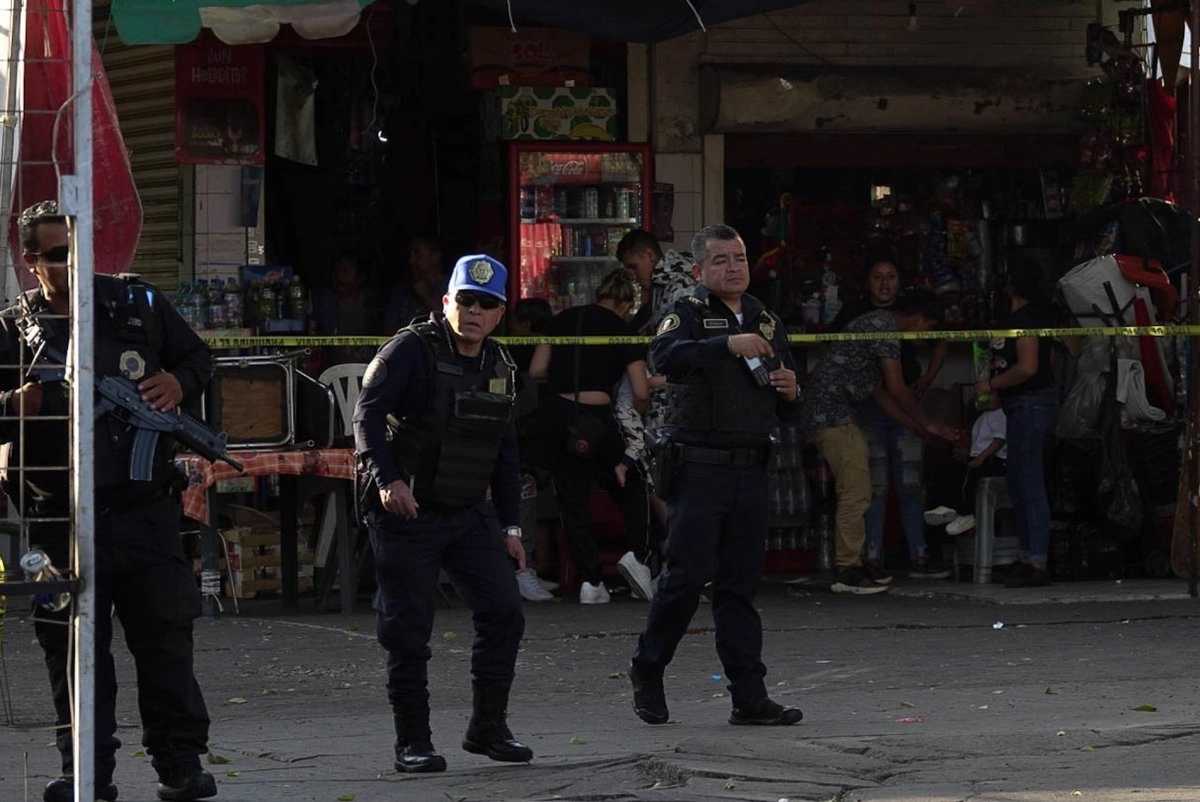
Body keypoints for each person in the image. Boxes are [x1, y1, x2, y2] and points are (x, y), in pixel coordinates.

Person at [0, 201, 217, 802]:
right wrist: (13, 404)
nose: (72, 264)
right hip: (57, 521)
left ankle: (181, 766)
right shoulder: (13, 327)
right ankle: (85, 773)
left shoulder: (136, 304)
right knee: (70, 652)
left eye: (79, 250)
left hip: (143, 509)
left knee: (166, 640)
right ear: (30, 260)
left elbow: (198, 358)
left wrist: (179, 383)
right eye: (57, 255)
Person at [353, 253, 533, 774]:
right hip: (408, 514)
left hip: (467, 513)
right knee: (408, 630)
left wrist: (512, 526)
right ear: (447, 302)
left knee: (505, 612)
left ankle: (488, 728)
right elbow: (365, 418)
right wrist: (388, 481)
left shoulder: (501, 366)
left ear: (500, 313)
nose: (475, 312)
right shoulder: (411, 350)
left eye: (487, 304)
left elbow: (505, 450)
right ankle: (413, 742)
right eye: (466, 301)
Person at [628, 223, 802, 727]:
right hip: (698, 467)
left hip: (750, 467)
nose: (733, 268)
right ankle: (648, 669)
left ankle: (749, 696)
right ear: (701, 270)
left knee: (740, 588)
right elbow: (663, 359)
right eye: (722, 260)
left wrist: (791, 391)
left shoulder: (767, 322)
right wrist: (726, 345)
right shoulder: (686, 313)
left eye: (740, 258)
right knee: (684, 579)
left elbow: (787, 403)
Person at [799, 290, 958, 594]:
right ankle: (848, 570)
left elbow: (880, 394)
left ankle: (855, 564)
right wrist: (927, 423)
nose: (923, 338)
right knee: (856, 491)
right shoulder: (885, 329)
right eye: (927, 329)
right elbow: (897, 388)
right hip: (832, 414)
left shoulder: (875, 324)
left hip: (832, 413)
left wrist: (916, 427)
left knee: (857, 488)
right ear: (919, 318)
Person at [529, 268, 651, 604]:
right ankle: (637, 557)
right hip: (597, 419)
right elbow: (640, 390)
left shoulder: (561, 320)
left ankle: (591, 582)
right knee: (633, 485)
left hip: (557, 416)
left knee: (572, 501)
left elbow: (537, 370)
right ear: (626, 305)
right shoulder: (624, 331)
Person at [831, 260, 951, 582]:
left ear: (900, 282)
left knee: (911, 483)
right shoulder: (859, 314)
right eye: (877, 277)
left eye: (891, 277)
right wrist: (924, 422)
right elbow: (884, 387)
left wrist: (928, 377)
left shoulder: (911, 309)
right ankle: (872, 558)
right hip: (874, 406)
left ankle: (919, 556)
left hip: (904, 403)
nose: (884, 284)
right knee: (877, 486)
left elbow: (943, 336)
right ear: (867, 281)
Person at [973, 257, 1061, 588]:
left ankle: (1036, 561)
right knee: (1020, 481)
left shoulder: (1026, 319)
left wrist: (992, 385)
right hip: (1024, 405)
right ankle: (1027, 556)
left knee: (1029, 483)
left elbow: (1027, 368)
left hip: (1031, 404)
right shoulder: (1028, 317)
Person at [508, 297, 558, 602]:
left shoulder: (520, 359)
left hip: (531, 441)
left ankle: (527, 569)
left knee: (532, 501)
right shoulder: (512, 356)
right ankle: (521, 570)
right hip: (524, 443)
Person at [925, 393, 1008, 536]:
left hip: (993, 460)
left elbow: (999, 440)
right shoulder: (984, 417)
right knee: (951, 471)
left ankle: (968, 514)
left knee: (968, 478)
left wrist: (980, 458)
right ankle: (949, 507)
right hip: (978, 458)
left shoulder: (999, 414)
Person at [311, 252, 383, 368]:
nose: (339, 275)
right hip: (330, 375)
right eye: (337, 269)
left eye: (346, 270)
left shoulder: (373, 305)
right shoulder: (324, 303)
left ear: (361, 276)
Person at [383, 235, 448, 331]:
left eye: (417, 254)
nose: (411, 261)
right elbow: (388, 328)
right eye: (410, 255)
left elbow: (449, 323)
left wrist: (426, 296)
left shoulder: (452, 287)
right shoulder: (401, 290)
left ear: (435, 256)